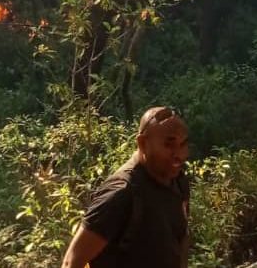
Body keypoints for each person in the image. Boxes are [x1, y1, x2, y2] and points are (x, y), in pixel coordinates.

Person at [61, 106, 190, 268]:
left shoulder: (178, 182)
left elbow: (179, 240)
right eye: (168, 145)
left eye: (183, 144)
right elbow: (72, 261)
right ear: (143, 143)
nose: (179, 154)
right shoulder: (122, 192)